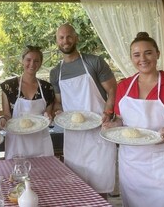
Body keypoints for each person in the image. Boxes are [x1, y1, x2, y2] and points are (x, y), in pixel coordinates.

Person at [102, 32, 164, 207]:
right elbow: (122, 120)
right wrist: (112, 125)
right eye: (136, 55)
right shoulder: (123, 86)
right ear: (131, 58)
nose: (142, 59)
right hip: (131, 165)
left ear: (157, 54)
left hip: (162, 165)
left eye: (148, 53)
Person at [49, 23, 117, 198]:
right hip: (74, 137)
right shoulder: (56, 72)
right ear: (57, 41)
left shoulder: (94, 62)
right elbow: (58, 102)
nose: (66, 41)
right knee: (77, 189)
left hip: (99, 134)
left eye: (69, 36)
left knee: (100, 187)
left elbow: (112, 90)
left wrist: (108, 113)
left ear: (76, 38)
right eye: (61, 37)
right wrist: (57, 111)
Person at [0, 45, 55, 159]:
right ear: (22, 61)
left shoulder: (47, 88)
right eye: (28, 60)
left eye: (36, 61)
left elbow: (47, 115)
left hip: (40, 143)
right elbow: (7, 115)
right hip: (17, 143)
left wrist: (48, 116)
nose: (32, 64)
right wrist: (2, 120)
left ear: (40, 63)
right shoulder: (9, 86)